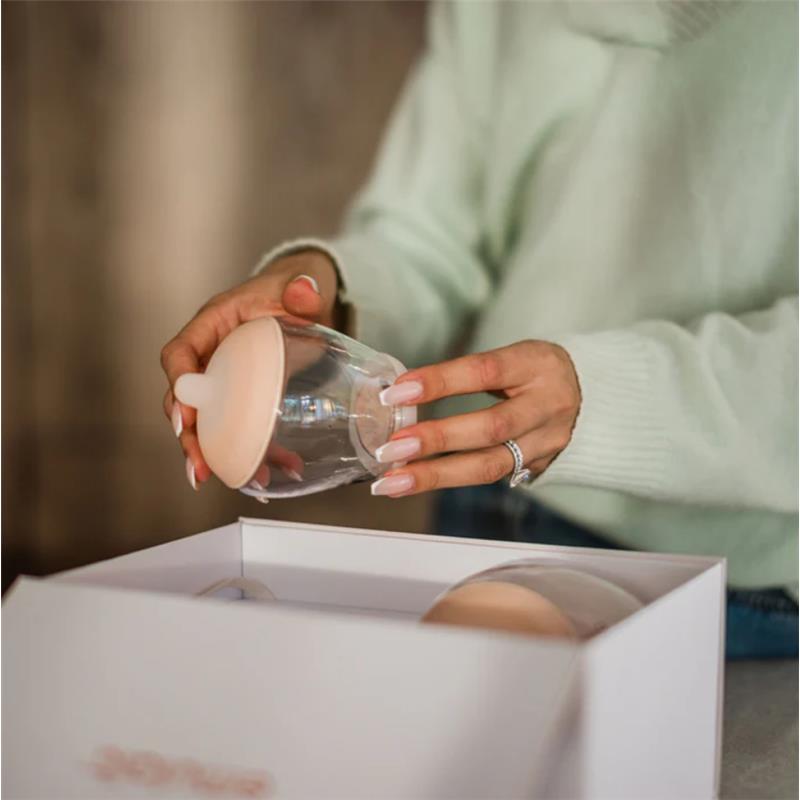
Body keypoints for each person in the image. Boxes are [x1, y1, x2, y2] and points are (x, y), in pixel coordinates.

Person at [161, 2, 798, 658]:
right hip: (485, 499)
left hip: (733, 569)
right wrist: (325, 293)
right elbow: (428, 238)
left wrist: (604, 400)